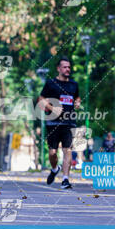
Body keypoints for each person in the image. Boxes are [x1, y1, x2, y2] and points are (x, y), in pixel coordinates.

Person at [37, 56, 81, 189]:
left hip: (69, 122)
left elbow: (77, 97)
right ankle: (55, 168)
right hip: (53, 122)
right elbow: (41, 100)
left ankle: (65, 179)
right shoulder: (51, 83)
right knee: (52, 152)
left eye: (69, 67)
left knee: (67, 150)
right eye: (65, 67)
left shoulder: (74, 84)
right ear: (58, 68)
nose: (68, 69)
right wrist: (52, 108)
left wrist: (77, 102)